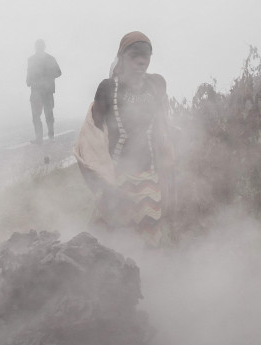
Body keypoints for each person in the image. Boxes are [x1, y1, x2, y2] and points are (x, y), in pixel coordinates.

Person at [73, 31, 175, 247]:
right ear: (122, 58)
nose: (141, 61)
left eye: (146, 56)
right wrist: (105, 183)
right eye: (134, 56)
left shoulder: (156, 85)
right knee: (108, 239)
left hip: (149, 175)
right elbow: (93, 133)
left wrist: (166, 167)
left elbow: (162, 126)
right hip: (116, 177)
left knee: (148, 237)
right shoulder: (108, 88)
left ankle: (146, 275)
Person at [26, 38, 62, 144]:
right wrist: (29, 81)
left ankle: (46, 137)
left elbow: (58, 72)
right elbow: (29, 73)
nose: (38, 48)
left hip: (44, 91)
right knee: (39, 115)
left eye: (39, 46)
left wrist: (46, 77)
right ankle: (42, 137)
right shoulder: (34, 59)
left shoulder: (47, 59)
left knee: (45, 114)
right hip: (39, 91)